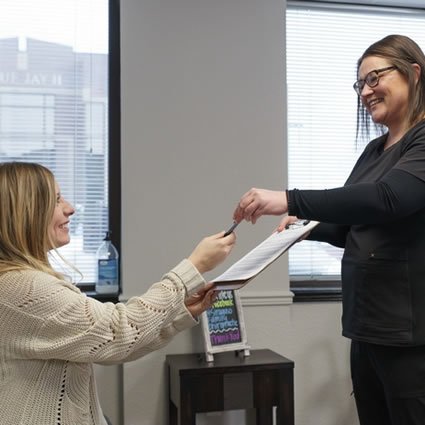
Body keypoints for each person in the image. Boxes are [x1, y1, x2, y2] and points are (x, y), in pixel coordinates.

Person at [232, 34, 425, 425]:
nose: (366, 91)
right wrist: (306, 229)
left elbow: (389, 200)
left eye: (375, 78)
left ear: (414, 73)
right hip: (366, 328)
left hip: (408, 336)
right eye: (360, 84)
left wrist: (291, 199)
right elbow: (352, 224)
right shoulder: (375, 151)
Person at [0, 161, 236, 425]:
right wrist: (193, 267)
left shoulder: (20, 283)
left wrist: (181, 313)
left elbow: (115, 346)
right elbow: (118, 331)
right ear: (27, 212)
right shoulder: (25, 288)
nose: (70, 208)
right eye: (57, 200)